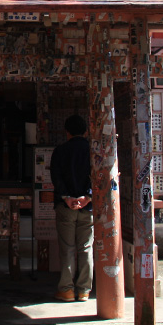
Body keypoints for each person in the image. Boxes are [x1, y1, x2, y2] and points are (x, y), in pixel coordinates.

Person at [50, 114, 93, 302]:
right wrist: (87, 197)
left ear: (66, 132)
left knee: (67, 248)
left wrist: (67, 198)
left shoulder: (60, 151)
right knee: (85, 248)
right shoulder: (92, 151)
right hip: (88, 207)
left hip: (65, 207)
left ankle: (66, 289)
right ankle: (84, 290)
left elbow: (56, 177)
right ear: (85, 131)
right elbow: (97, 175)